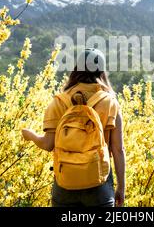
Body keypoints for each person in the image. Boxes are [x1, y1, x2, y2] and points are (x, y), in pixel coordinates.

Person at [22, 48, 126, 207]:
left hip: (65, 183)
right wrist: (121, 187)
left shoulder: (59, 102)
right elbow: (118, 150)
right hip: (99, 184)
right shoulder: (110, 103)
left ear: (76, 69)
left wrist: (30, 135)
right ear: (102, 72)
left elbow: (48, 144)